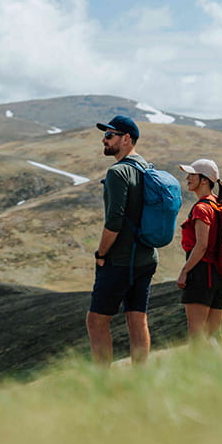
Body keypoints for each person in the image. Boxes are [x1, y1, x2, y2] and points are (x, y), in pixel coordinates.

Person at [86, 115, 158, 366]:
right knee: (137, 319)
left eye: (109, 135)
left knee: (96, 321)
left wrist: (101, 254)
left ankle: (103, 385)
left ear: (126, 139)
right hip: (147, 257)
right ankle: (141, 381)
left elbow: (114, 221)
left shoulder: (118, 172)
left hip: (120, 259)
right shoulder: (147, 168)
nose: (103, 140)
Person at [176, 158, 222, 340]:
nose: (187, 178)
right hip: (218, 276)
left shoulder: (202, 209)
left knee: (197, 334)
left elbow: (202, 245)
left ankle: (197, 368)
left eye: (192, 175)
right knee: (213, 335)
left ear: (204, 180)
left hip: (201, 274)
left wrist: (185, 271)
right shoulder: (218, 205)